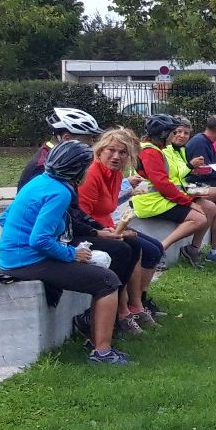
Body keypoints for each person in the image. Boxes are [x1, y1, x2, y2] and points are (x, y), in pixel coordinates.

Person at [0, 141, 129, 365]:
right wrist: (71, 254)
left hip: (14, 258)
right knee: (108, 281)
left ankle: (96, 340)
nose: (89, 171)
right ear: (77, 170)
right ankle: (102, 352)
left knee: (103, 276)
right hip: (26, 262)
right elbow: (39, 240)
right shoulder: (60, 192)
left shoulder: (40, 181)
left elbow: (5, 218)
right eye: (87, 167)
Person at [77, 127, 164, 331]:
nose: (116, 157)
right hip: (88, 230)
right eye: (111, 150)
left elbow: (108, 209)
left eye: (123, 152)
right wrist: (110, 231)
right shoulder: (92, 174)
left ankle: (135, 305)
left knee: (149, 247)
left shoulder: (115, 175)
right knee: (127, 247)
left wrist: (118, 229)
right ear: (100, 151)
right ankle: (122, 310)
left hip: (106, 226)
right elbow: (82, 216)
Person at [131, 114, 216, 268]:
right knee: (199, 219)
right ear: (163, 134)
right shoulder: (150, 152)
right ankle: (159, 249)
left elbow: (170, 179)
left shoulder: (156, 149)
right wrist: (188, 202)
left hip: (160, 198)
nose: (175, 135)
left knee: (209, 207)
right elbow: (162, 184)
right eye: (173, 132)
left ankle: (193, 249)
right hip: (151, 202)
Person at [18, 107, 103, 187]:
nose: (91, 143)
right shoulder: (43, 167)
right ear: (67, 139)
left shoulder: (56, 159)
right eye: (87, 139)